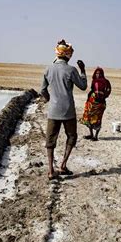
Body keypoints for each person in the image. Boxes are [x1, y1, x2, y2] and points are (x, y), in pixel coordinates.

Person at [41, 39, 87, 180]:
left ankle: (50, 170)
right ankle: (63, 165)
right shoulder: (71, 70)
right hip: (68, 111)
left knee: (50, 140)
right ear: (68, 55)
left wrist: (50, 100)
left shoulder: (48, 69)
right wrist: (83, 71)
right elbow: (83, 86)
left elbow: (43, 90)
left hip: (53, 111)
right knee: (71, 136)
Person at [80, 67, 112, 141]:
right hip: (91, 102)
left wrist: (104, 96)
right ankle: (91, 134)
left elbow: (108, 90)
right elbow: (92, 89)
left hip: (100, 103)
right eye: (97, 73)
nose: (98, 74)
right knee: (89, 117)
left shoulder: (106, 81)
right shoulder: (94, 81)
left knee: (98, 118)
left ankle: (96, 136)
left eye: (99, 73)